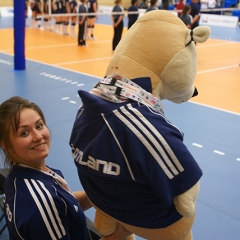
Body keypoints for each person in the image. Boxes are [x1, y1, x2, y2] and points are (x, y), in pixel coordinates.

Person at [0, 96, 131, 240]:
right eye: (24, 133)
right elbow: (49, 206)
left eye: (39, 126)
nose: (38, 136)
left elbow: (63, 206)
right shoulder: (41, 202)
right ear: (6, 145)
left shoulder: (19, 175)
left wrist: (99, 193)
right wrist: (117, 236)